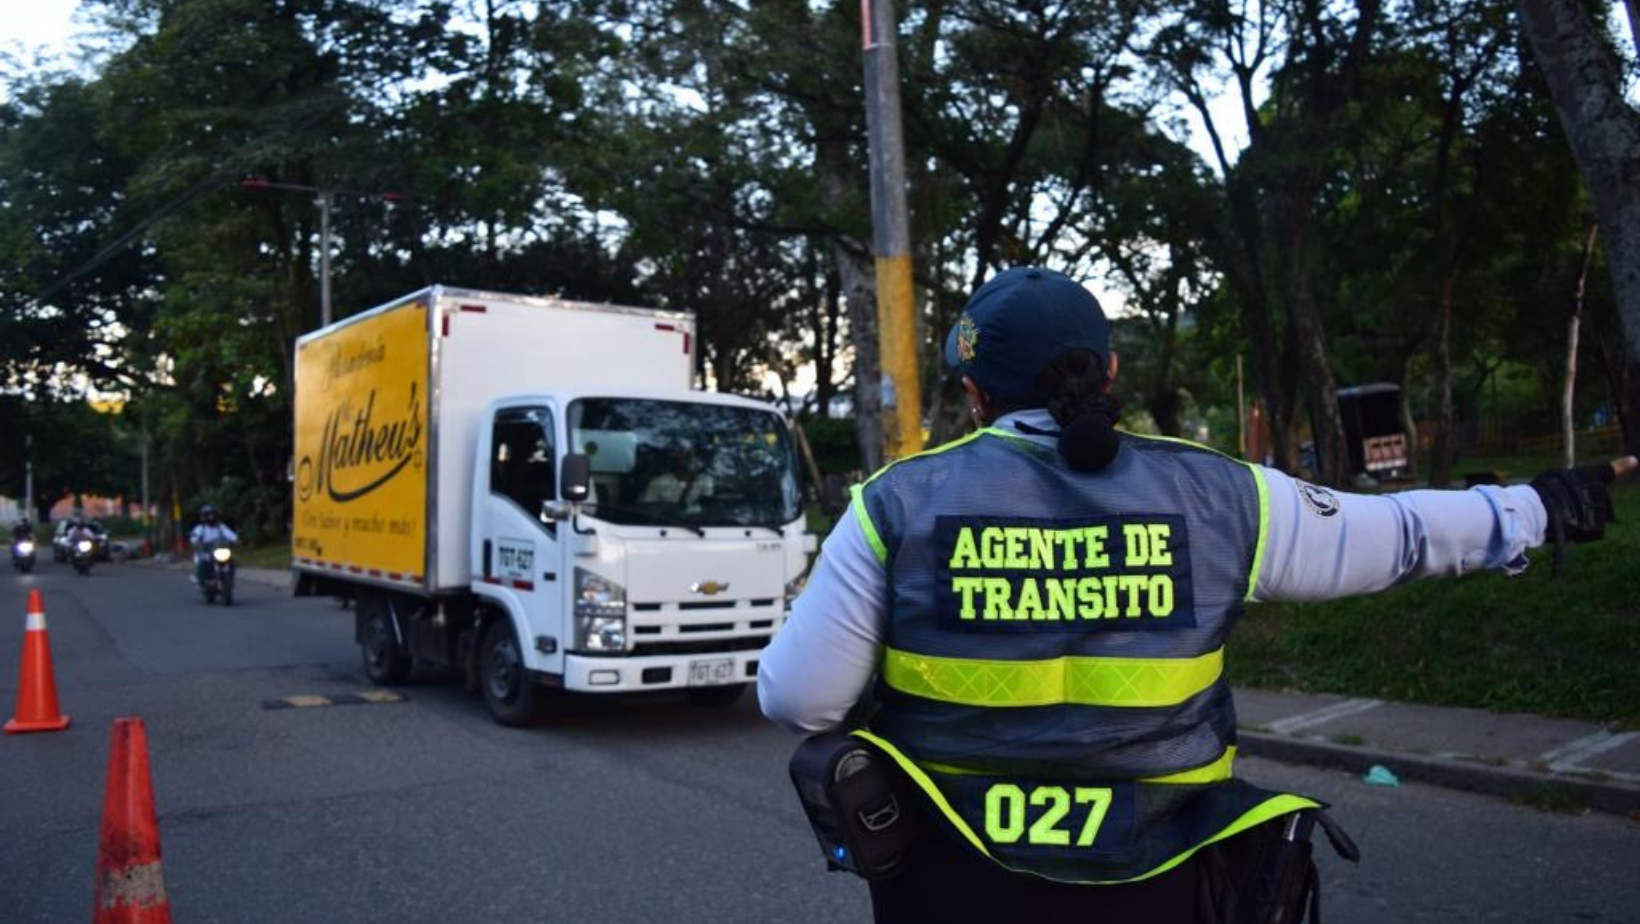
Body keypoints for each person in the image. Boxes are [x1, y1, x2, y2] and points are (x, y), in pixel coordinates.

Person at [758, 266, 1632, 923]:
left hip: (953, 881)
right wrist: (1541, 505)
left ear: (976, 392)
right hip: (1169, 878)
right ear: (1107, 371)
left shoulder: (897, 502)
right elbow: (1396, 534)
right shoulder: (1221, 493)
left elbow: (800, 697)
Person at [637, 448, 712, 508]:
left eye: (697, 458)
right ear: (678, 460)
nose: (694, 461)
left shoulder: (705, 481)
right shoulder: (659, 482)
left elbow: (707, 506)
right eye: (687, 458)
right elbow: (647, 509)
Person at [189, 505, 239, 584]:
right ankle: (201, 579)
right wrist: (195, 541)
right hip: (206, 551)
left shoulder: (220, 527)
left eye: (212, 515)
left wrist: (235, 540)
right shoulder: (201, 528)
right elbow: (194, 538)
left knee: (232, 560)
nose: (211, 517)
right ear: (204, 516)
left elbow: (230, 535)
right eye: (209, 515)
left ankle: (230, 579)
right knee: (202, 562)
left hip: (219, 550)